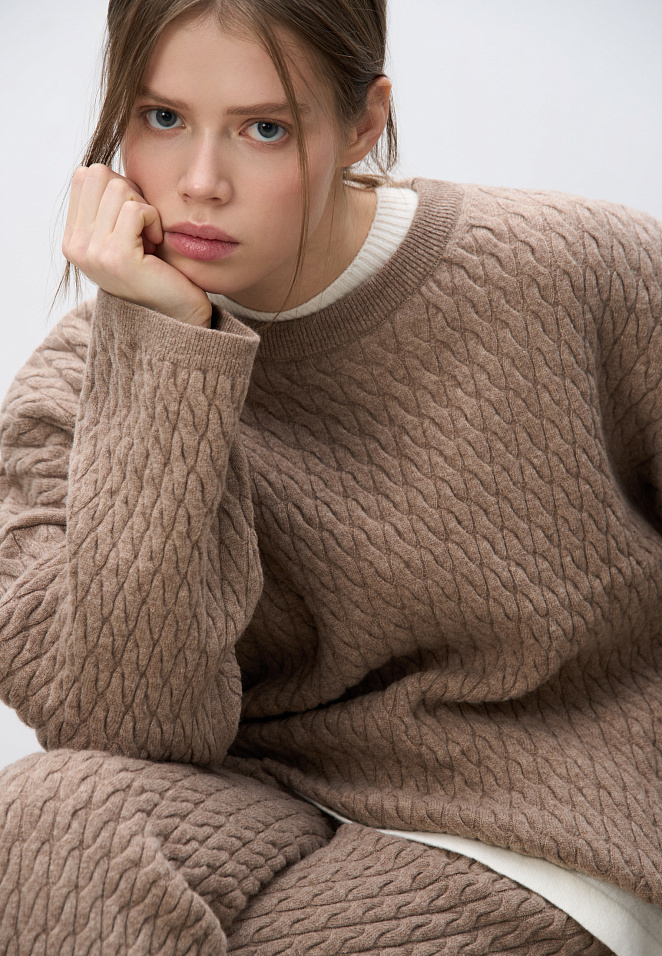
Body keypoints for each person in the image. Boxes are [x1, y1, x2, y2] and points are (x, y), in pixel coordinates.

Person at [0, 0, 661, 952]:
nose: (200, 183)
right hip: (267, 805)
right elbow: (125, 732)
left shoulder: (574, 273)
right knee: (46, 823)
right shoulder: (74, 391)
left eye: (264, 129)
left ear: (363, 124)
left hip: (543, 826)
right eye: (162, 117)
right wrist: (166, 353)